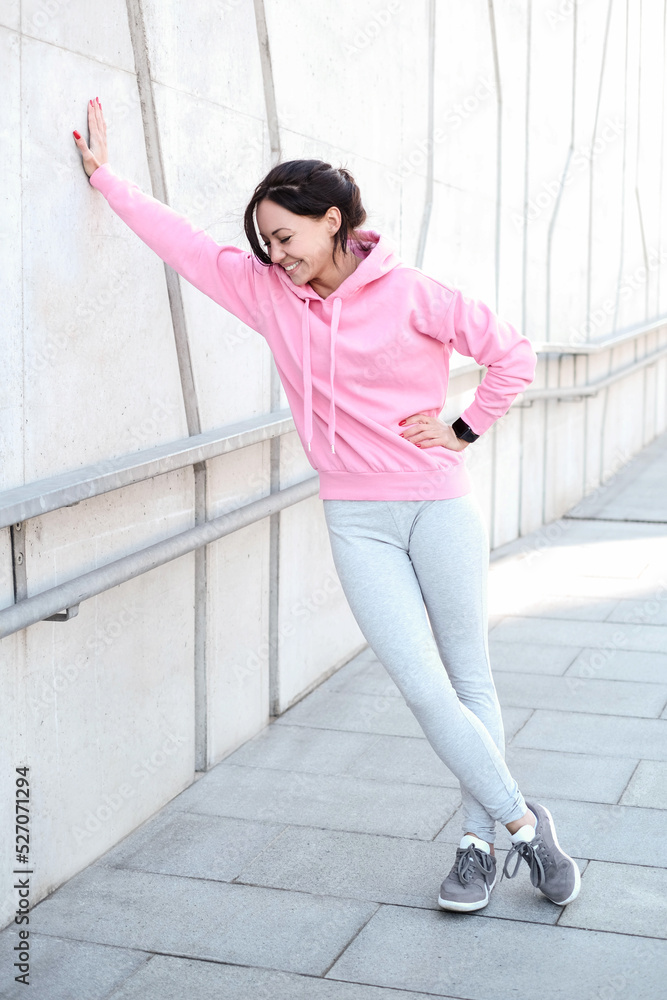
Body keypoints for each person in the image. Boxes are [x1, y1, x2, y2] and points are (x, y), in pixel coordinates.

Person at [72, 97, 581, 912]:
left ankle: (475, 844)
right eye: (265, 243)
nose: (274, 255)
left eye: (285, 237)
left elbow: (510, 355)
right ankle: (525, 824)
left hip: (437, 506)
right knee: (420, 684)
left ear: (333, 221)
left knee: (466, 679)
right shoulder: (269, 295)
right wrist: (109, 181)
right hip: (356, 517)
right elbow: (188, 248)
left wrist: (462, 423)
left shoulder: (411, 292)